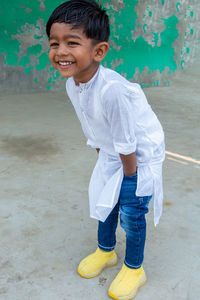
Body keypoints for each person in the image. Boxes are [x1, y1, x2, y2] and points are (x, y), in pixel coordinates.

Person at [46, 0, 165, 299]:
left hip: (139, 156)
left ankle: (135, 268)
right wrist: (105, 163)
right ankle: (106, 251)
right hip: (114, 151)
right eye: (54, 43)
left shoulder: (113, 91)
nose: (60, 51)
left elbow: (128, 140)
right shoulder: (73, 84)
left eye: (72, 43)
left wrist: (128, 178)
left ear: (99, 51)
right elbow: (93, 128)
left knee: (131, 210)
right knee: (104, 198)